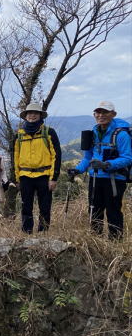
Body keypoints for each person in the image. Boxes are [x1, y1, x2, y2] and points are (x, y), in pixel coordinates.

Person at [69, 101, 132, 239]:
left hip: (114, 179)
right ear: (94, 114)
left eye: (105, 112)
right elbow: (88, 157)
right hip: (95, 178)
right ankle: (95, 241)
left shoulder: (121, 134)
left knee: (113, 211)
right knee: (94, 211)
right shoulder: (93, 133)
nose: (101, 115)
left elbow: (127, 158)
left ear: (113, 114)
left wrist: (106, 165)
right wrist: (77, 170)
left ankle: (115, 243)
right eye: (98, 112)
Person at [14, 103, 62, 234]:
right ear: (25, 116)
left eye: (35, 113)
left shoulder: (49, 132)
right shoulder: (19, 135)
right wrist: (17, 178)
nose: (32, 115)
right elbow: (15, 158)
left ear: (40, 115)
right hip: (25, 176)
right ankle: (26, 232)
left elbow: (56, 155)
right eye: (30, 113)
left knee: (45, 207)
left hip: (44, 175)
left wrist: (54, 178)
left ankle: (43, 233)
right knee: (26, 207)